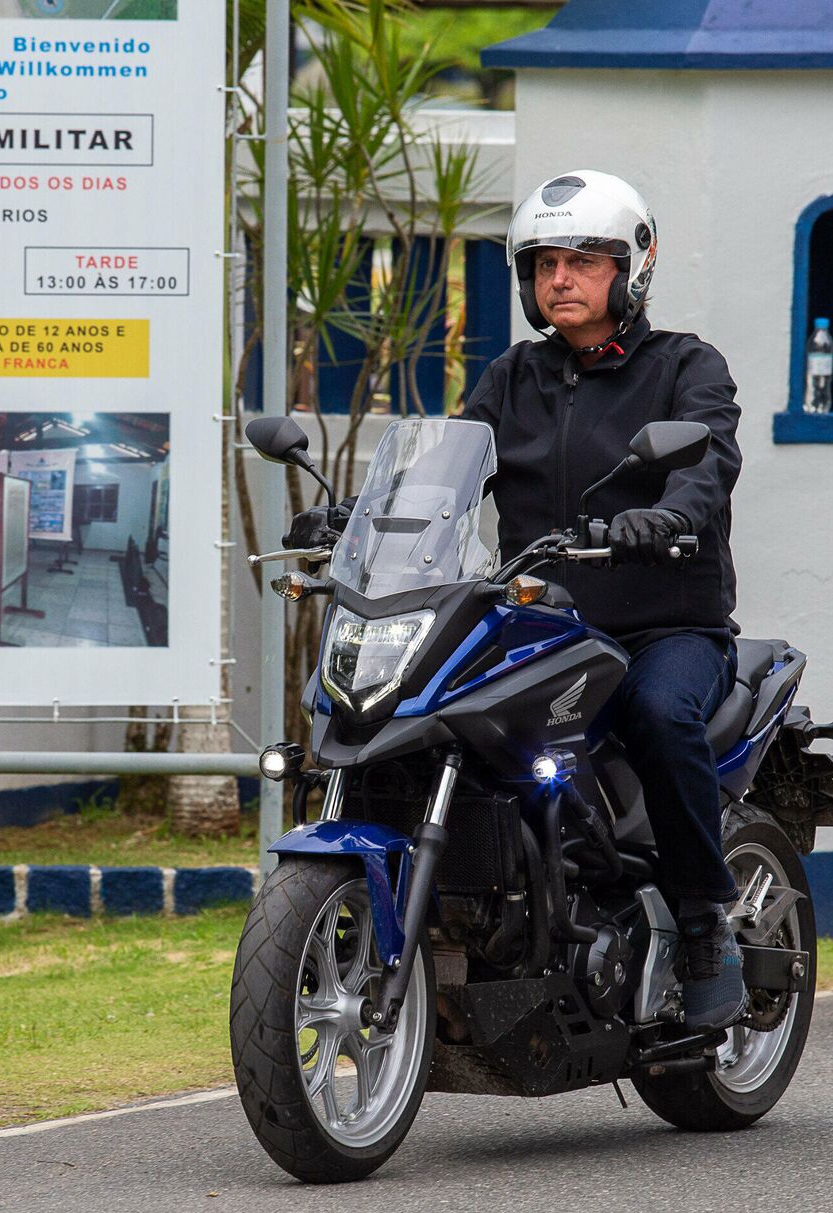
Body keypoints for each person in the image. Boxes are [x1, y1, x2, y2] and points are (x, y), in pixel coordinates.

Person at [284, 170, 749, 1031]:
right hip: (544, 621)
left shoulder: (687, 367)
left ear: (633, 267)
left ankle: (702, 923)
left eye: (583, 261)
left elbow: (708, 463)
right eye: (543, 265)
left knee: (658, 714)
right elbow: (440, 475)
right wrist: (357, 517)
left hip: (662, 626)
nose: (560, 279)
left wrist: (666, 517)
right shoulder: (512, 377)